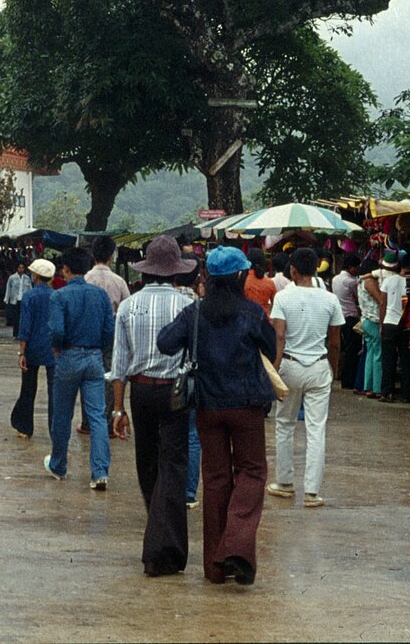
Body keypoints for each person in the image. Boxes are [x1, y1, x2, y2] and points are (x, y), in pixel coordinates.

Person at [158, 246, 276, 586]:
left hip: (208, 407)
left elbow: (165, 342)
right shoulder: (252, 313)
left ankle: (215, 568)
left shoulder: (195, 313)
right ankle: (236, 548)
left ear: (208, 277)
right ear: (240, 276)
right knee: (252, 473)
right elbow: (270, 347)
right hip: (247, 405)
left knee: (216, 480)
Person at [110, 236, 199, 577]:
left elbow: (120, 363)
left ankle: (159, 540)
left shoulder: (129, 306)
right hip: (176, 392)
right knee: (173, 466)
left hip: (140, 391)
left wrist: (118, 410)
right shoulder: (187, 305)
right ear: (176, 271)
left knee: (147, 465)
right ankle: (163, 546)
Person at [267, 248, 344, 507]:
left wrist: (275, 371)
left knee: (285, 424)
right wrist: (332, 371)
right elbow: (334, 342)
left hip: (289, 364)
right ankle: (312, 492)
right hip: (319, 366)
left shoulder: (282, 298)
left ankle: (285, 482)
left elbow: (279, 337)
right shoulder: (330, 299)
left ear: (292, 271)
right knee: (316, 429)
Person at [44, 247, 115, 489]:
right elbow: (109, 330)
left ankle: (59, 465)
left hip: (68, 355)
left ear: (65, 269)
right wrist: (98, 349)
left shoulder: (59, 296)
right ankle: (100, 472)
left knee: (62, 414)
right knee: (97, 416)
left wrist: (58, 347)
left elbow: (57, 330)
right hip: (94, 357)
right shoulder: (101, 295)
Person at [86, 235, 131, 433]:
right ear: (112, 256)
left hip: (89, 330)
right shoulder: (119, 281)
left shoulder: (86, 279)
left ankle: (88, 422)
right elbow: (127, 309)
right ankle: (108, 421)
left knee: (89, 375)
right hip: (113, 329)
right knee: (112, 373)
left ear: (93, 254)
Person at [12, 258, 57, 439]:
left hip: (32, 347)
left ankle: (25, 427)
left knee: (28, 388)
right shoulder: (56, 296)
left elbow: (25, 326)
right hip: (53, 347)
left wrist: (22, 352)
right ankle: (54, 429)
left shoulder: (30, 296)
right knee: (54, 391)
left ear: (36, 275)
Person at [377, 250, 410, 403]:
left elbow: (382, 304)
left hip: (389, 323)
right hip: (406, 325)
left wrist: (381, 325)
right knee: (406, 361)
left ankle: (387, 392)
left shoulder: (389, 281)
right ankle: (407, 395)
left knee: (388, 360)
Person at [332, 255, 363, 387]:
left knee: (346, 349)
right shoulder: (351, 281)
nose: (357, 270)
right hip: (351, 316)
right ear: (350, 267)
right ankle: (349, 380)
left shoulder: (335, 279)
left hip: (341, 316)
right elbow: (358, 297)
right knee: (353, 350)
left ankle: (346, 379)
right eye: (356, 267)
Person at [356, 258, 384, 396]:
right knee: (378, 354)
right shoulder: (370, 282)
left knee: (371, 353)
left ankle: (368, 386)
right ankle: (377, 388)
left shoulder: (360, 282)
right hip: (374, 320)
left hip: (366, 320)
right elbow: (380, 300)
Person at [243, 250, 276, 316]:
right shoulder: (269, 283)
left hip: (246, 320)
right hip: (264, 319)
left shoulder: (242, 280)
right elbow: (275, 304)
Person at [5, 262, 29, 338]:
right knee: (16, 318)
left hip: (24, 299)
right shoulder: (12, 278)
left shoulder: (27, 278)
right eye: (19, 267)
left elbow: (30, 288)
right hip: (15, 300)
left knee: (23, 318)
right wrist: (6, 298)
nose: (21, 269)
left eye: (22, 268)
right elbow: (8, 288)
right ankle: (15, 334)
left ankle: (22, 333)